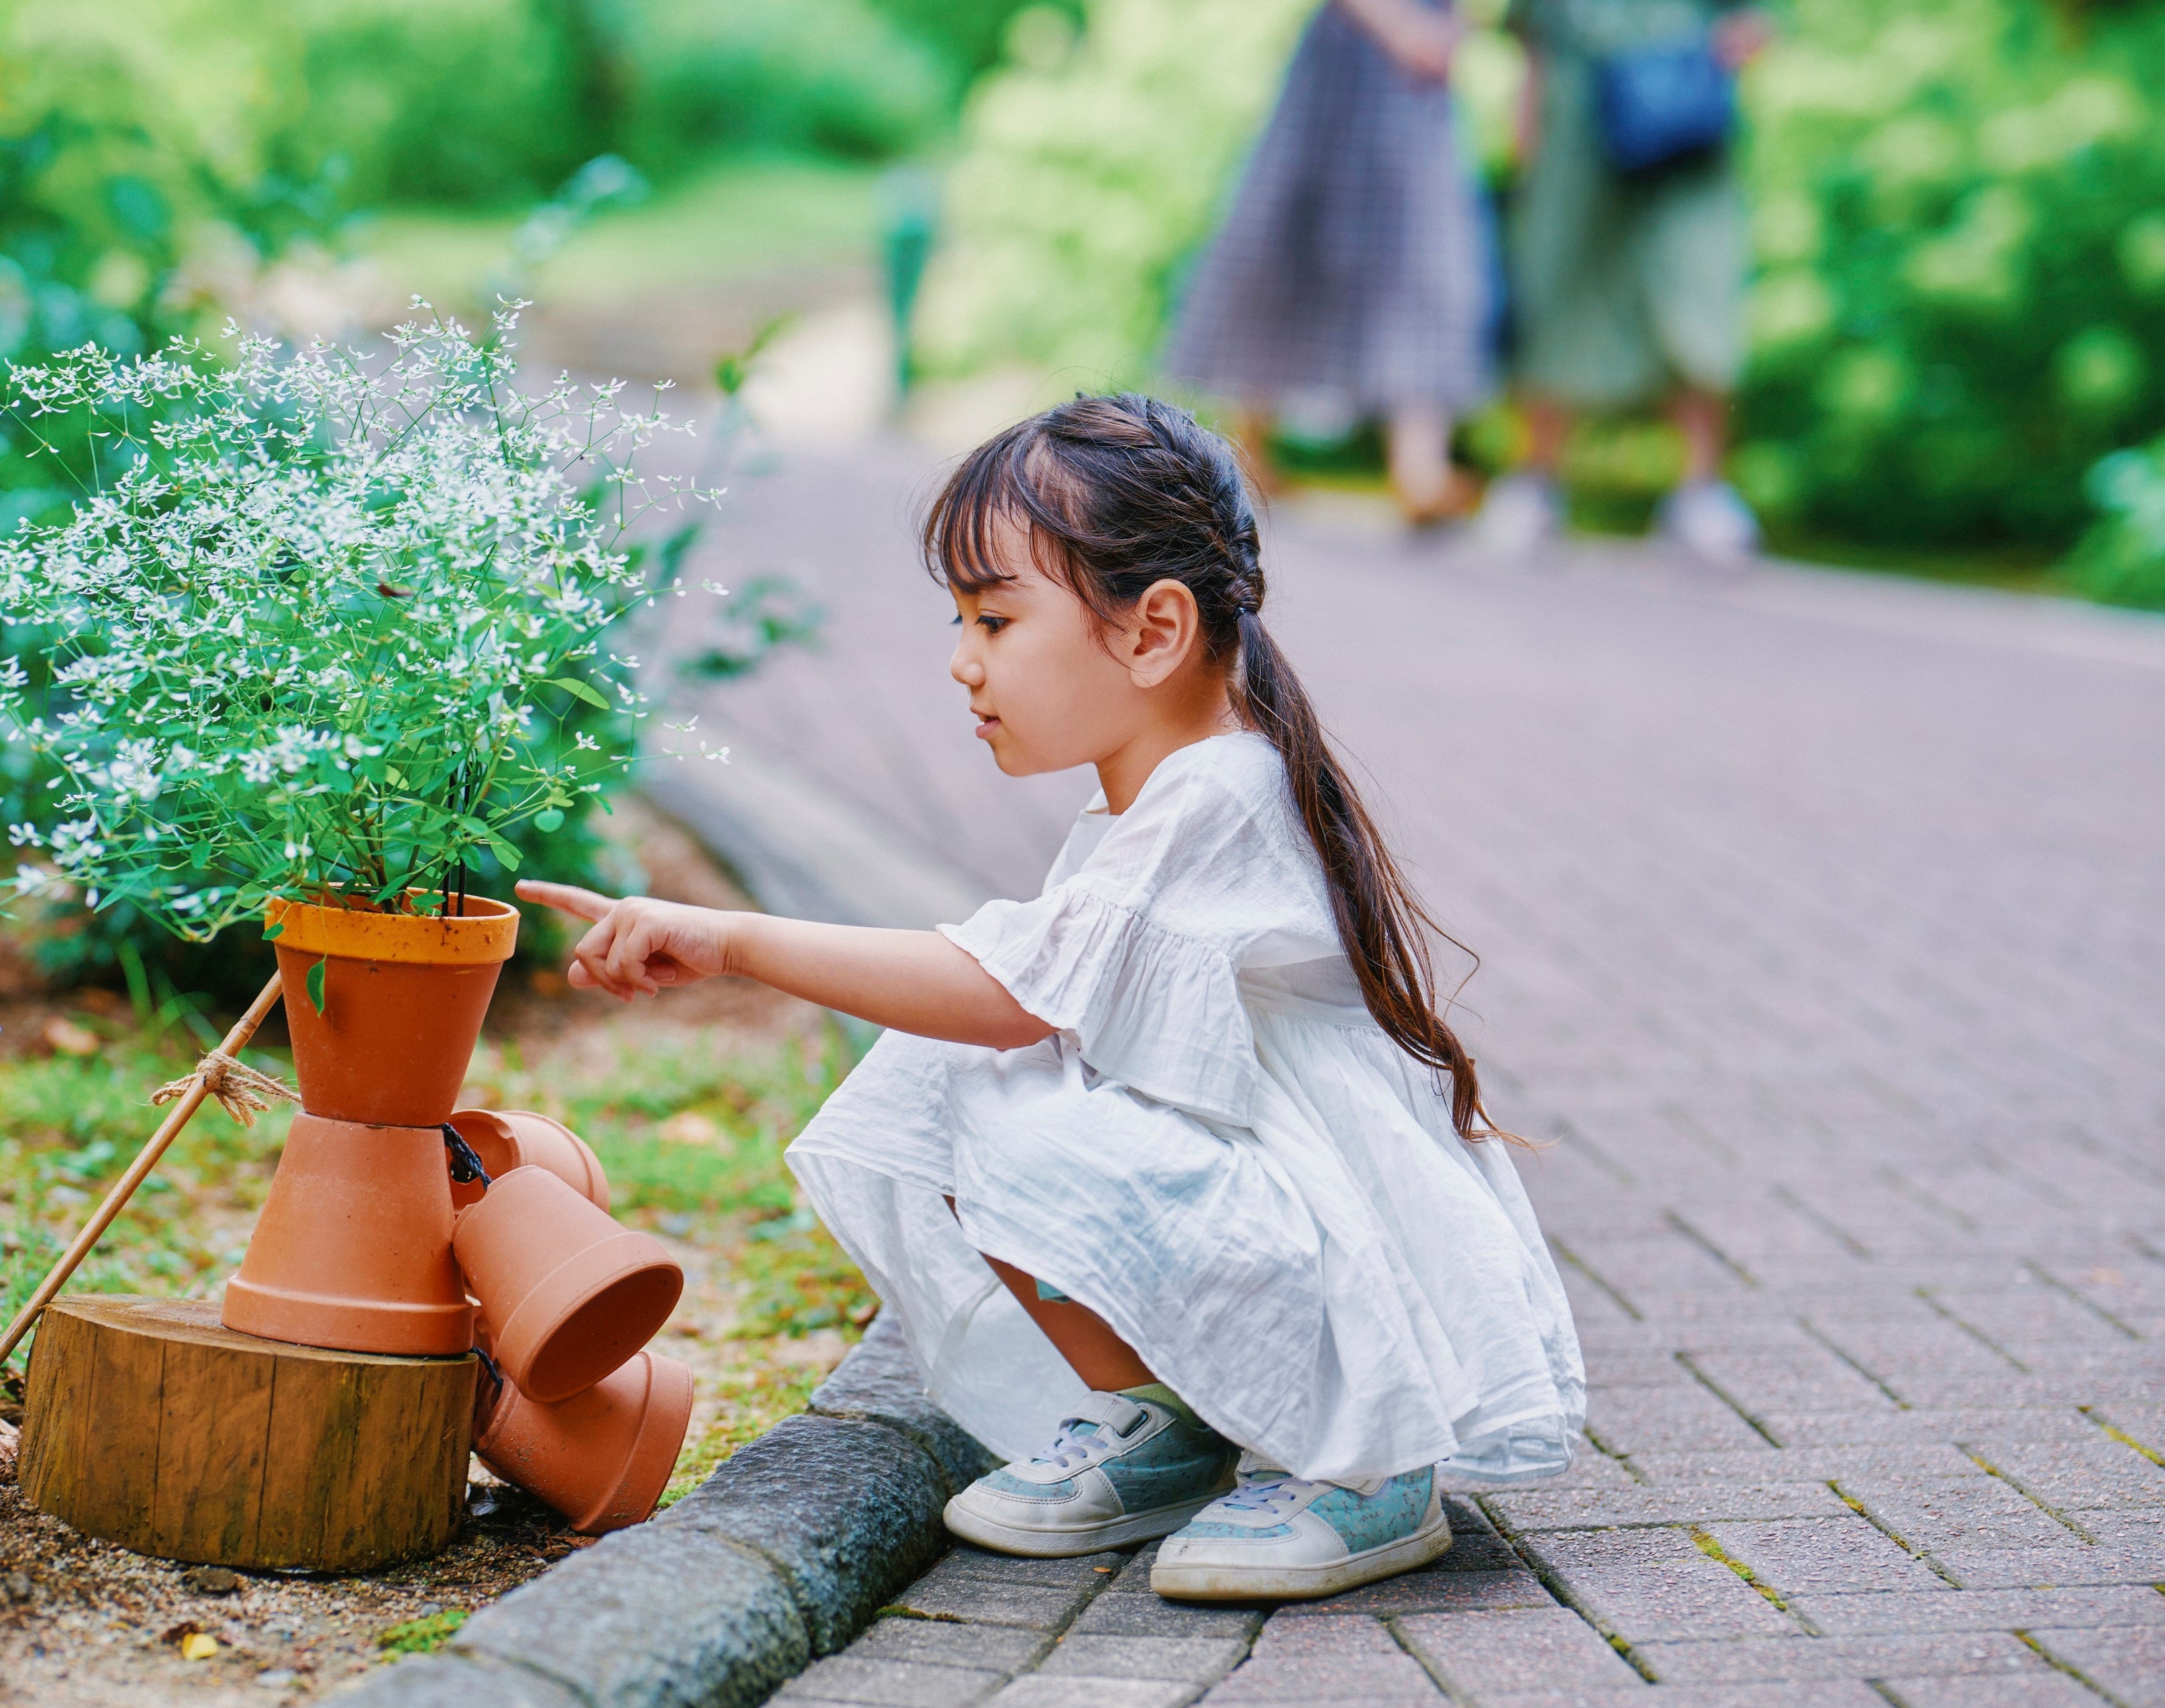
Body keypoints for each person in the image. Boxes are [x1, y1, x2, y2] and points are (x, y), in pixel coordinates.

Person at [521, 396, 1584, 1604]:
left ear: (1152, 633)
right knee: (970, 1077)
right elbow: (1025, 996)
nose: (962, 658)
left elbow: (1003, 996)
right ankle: (1168, 1422)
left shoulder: (1215, 795)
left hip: (1333, 1232)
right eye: (961, 619)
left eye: (995, 617)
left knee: (986, 1070)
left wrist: (735, 940)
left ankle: (1370, 1468)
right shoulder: (1170, 792)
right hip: (1278, 1187)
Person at [1166, 0, 1493, 525]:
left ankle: (1419, 466)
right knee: (1282, 248)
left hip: (1417, 80)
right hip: (1350, 65)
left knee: (1426, 259)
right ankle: (1245, 455)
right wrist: (1400, 26)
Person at [1478, 0, 1774, 561]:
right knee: (1555, 286)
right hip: (1575, 127)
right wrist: (1525, 147)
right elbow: (1534, 45)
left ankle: (1702, 490)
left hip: (1684, 128)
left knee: (1697, 291)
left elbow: (1752, 28)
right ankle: (1534, 480)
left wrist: (1684, 71)